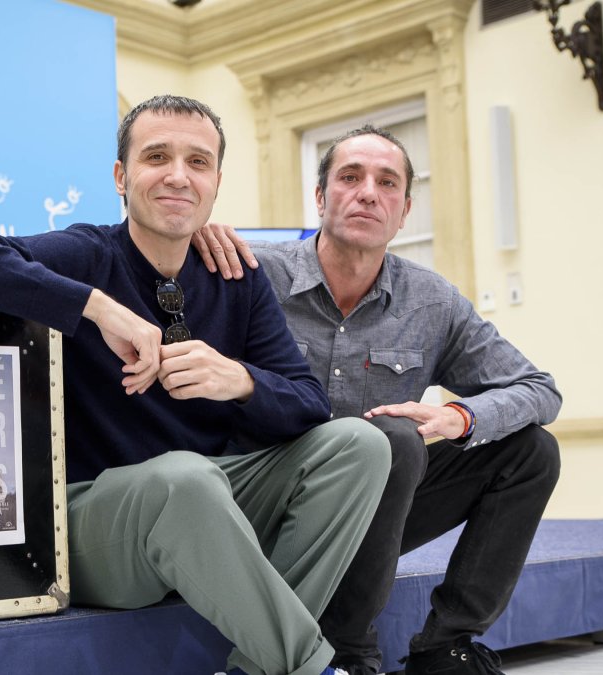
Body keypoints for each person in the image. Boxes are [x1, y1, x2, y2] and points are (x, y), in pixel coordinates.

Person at [0, 95, 390, 675]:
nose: (177, 176)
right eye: (156, 156)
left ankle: (256, 663)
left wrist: (238, 381)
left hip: (209, 506)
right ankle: (309, 667)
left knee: (361, 446)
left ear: (215, 183)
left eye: (198, 162)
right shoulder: (87, 254)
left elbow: (309, 407)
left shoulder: (235, 277)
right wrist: (98, 310)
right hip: (92, 522)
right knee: (182, 478)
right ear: (121, 176)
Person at [192, 124, 562, 675]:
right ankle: (348, 649)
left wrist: (459, 414)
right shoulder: (249, 270)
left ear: (405, 209)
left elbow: (539, 390)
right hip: (265, 511)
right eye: (350, 176)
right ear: (320, 197)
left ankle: (446, 648)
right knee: (386, 439)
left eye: (387, 183)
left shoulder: (431, 300)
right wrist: (192, 235)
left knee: (530, 452)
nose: (368, 192)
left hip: (377, 515)